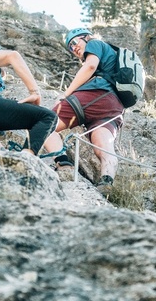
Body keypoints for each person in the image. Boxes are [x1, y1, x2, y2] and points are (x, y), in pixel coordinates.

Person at [43, 28, 125, 190]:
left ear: (86, 37)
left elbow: (90, 67)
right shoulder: (111, 56)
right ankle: (107, 181)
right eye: (70, 48)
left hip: (96, 94)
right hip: (114, 106)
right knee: (103, 144)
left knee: (44, 123)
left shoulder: (94, 43)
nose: (73, 48)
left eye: (74, 42)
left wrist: (65, 94)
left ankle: (64, 166)